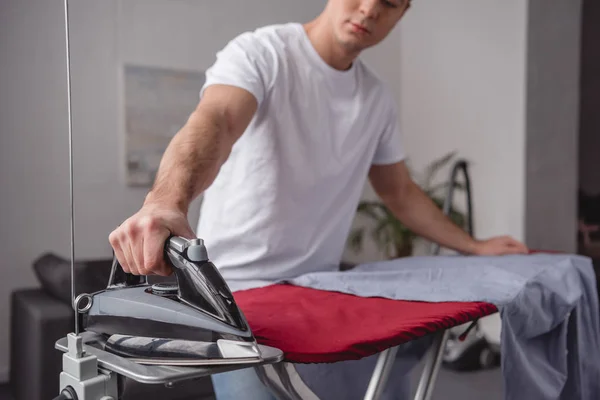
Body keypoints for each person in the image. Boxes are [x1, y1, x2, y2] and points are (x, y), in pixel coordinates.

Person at [109, 0, 529, 398]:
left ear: (402, 14)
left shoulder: (376, 99)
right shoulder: (263, 53)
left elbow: (399, 192)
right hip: (235, 298)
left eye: (389, 3)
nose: (369, 9)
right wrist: (166, 202)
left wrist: (474, 246)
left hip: (316, 291)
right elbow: (216, 121)